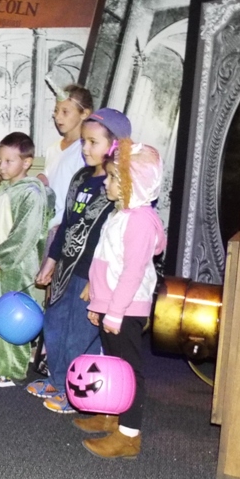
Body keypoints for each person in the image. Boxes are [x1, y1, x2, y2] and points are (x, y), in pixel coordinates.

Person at [30, 108, 132, 414]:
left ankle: (74, 392)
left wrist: (98, 281)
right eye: (84, 141)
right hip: (66, 269)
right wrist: (51, 261)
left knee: (79, 333)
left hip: (91, 274)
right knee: (55, 324)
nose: (85, 148)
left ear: (116, 145)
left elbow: (117, 241)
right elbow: (67, 223)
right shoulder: (81, 178)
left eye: (93, 142)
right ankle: (57, 379)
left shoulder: (120, 187)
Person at [79, 142, 166, 459]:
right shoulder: (121, 214)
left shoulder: (140, 221)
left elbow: (131, 272)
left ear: (135, 184)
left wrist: (114, 312)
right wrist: (97, 301)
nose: (106, 182)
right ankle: (111, 414)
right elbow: (105, 260)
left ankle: (129, 435)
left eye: (114, 177)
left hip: (126, 308)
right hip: (112, 305)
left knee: (129, 370)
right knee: (114, 364)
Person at [0, 132, 53, 387]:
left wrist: (0, 260)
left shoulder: (31, 193)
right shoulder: (0, 191)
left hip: (17, 267)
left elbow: (25, 234)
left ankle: (10, 368)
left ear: (26, 162)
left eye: (9, 161)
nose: (2, 166)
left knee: (13, 317)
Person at [40, 83, 93, 239]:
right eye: (56, 110)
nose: (58, 117)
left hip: (68, 229)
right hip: (47, 228)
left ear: (84, 113)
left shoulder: (86, 151)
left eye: (65, 112)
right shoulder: (52, 149)